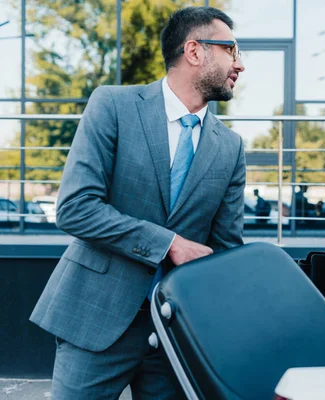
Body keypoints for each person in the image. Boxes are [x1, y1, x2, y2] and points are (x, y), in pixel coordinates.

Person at [30, 6, 245, 399]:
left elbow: (226, 245)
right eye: (231, 49)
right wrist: (170, 243)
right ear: (194, 51)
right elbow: (76, 207)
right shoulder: (113, 105)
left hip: (176, 333)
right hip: (95, 320)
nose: (240, 65)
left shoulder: (230, 146)